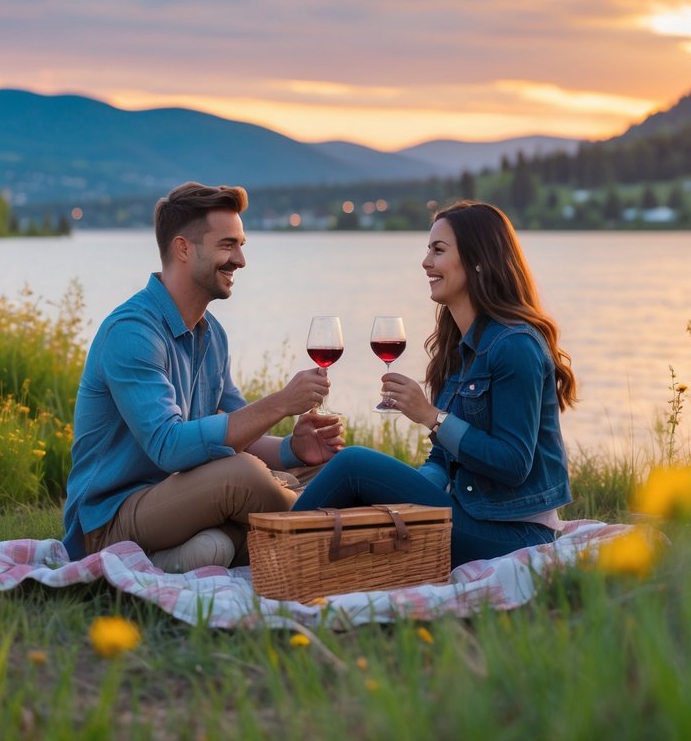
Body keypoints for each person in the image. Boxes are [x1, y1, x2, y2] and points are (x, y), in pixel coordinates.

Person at [62, 182, 344, 570]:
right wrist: (281, 402)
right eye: (228, 245)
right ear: (183, 248)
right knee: (243, 476)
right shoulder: (132, 332)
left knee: (334, 467)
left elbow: (239, 437)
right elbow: (169, 447)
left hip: (184, 498)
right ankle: (343, 532)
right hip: (111, 520)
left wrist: (294, 451)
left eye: (241, 245)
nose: (241, 260)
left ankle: (206, 549)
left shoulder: (211, 334)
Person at [292, 200, 576, 566]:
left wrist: (431, 417)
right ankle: (285, 553)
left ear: (477, 260)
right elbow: (442, 459)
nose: (426, 262)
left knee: (354, 464)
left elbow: (513, 462)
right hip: (469, 513)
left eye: (438, 250)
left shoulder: (515, 346)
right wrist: (402, 492)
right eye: (428, 250)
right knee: (366, 483)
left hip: (514, 533)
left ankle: (270, 550)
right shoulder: (460, 349)